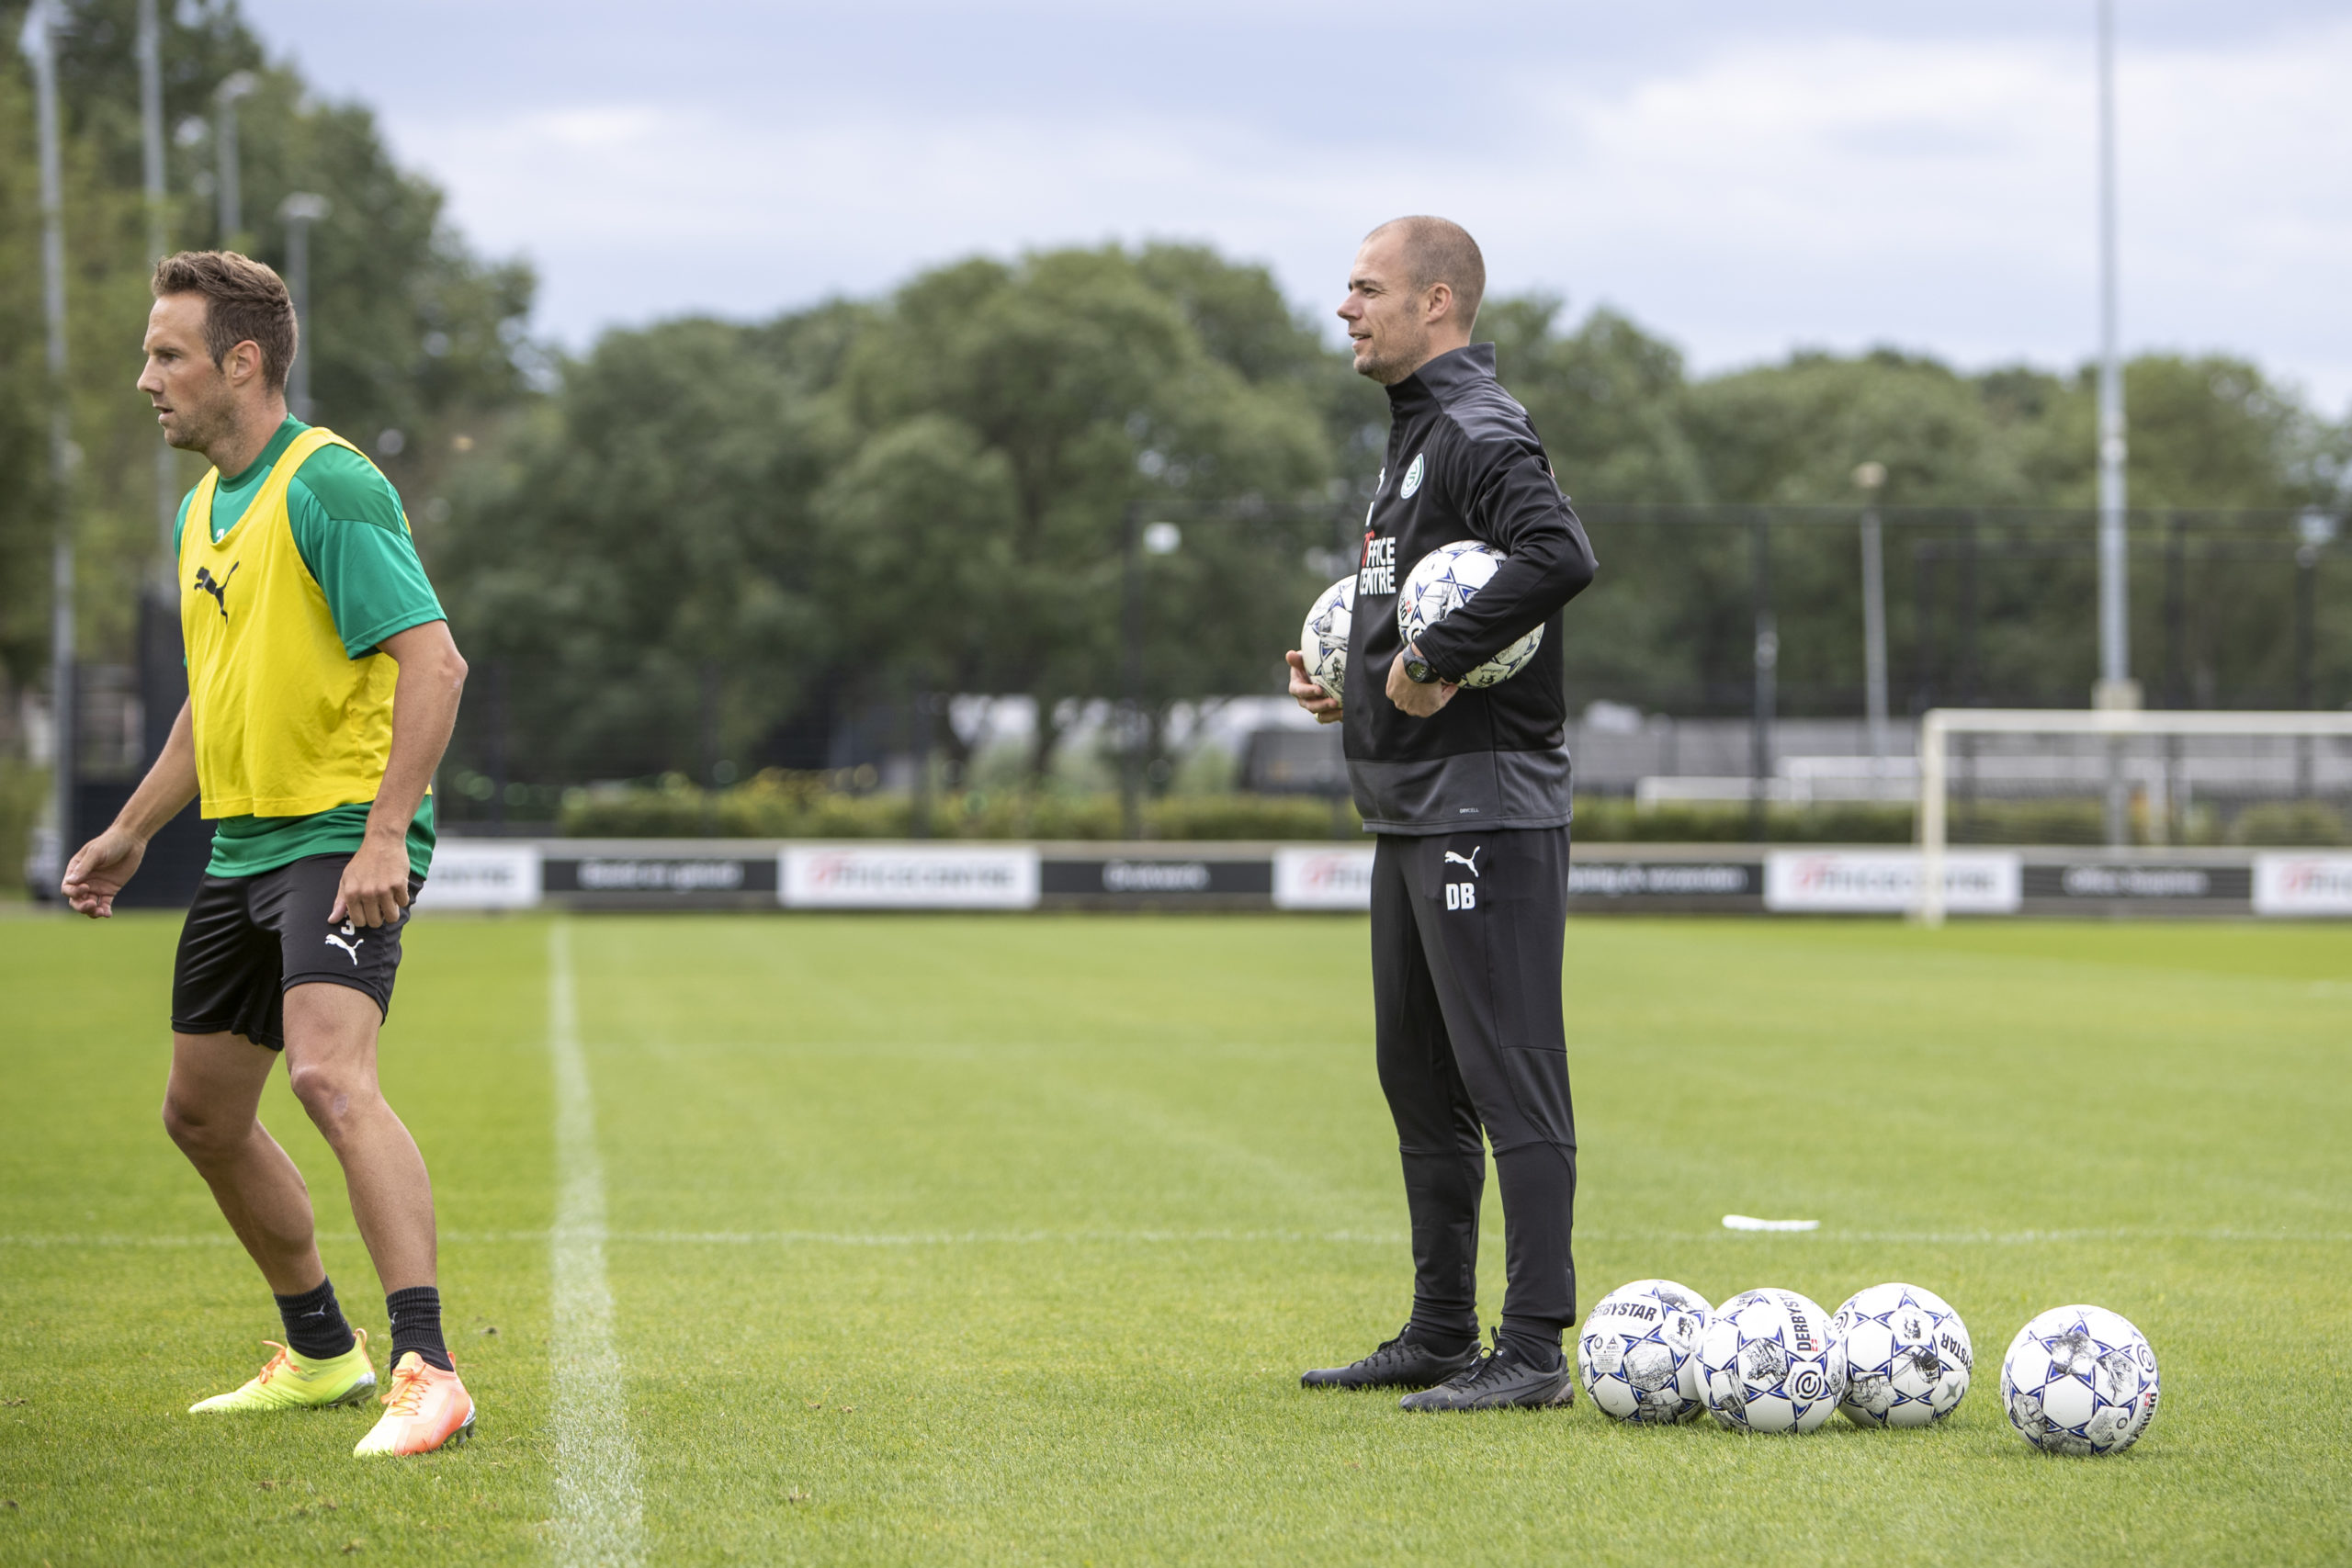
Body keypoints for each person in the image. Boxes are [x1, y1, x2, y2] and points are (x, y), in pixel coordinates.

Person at [62, 251, 477, 1457]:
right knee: (200, 1115)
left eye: (167, 354)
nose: (147, 378)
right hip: (242, 850)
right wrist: (131, 833)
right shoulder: (199, 511)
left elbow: (434, 663)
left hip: (342, 832)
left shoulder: (328, 485)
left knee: (330, 1077)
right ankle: (319, 1350)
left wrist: (386, 832)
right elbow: (214, 701)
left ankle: (430, 1371)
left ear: (240, 363)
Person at [1287, 217, 1599, 1410]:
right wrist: (1350, 681)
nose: (1344, 307)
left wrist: (1437, 663)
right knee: (1417, 1077)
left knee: (1508, 1069)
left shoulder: (1475, 426)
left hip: (1489, 806)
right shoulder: (1414, 439)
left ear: (1436, 302)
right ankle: (1436, 1330)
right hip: (1412, 806)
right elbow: (1417, 612)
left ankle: (1528, 1351)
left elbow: (1557, 554)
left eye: (1365, 289)